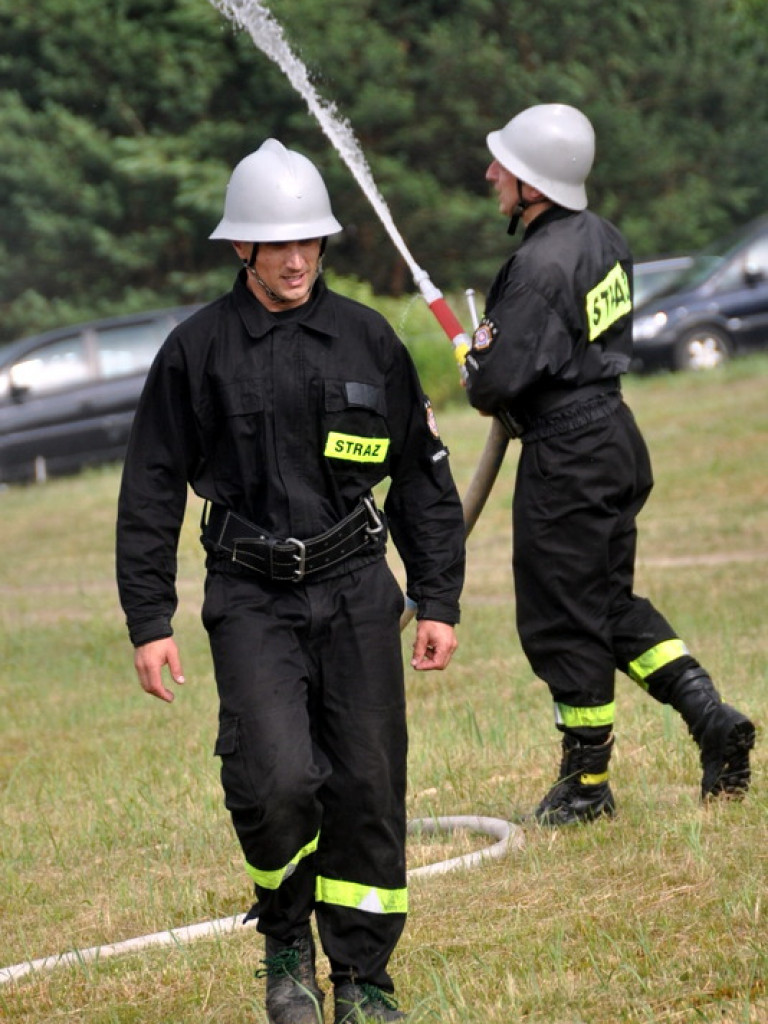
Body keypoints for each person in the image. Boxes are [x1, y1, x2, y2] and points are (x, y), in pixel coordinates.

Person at [116, 139, 465, 1024]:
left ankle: (364, 979)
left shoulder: (367, 339)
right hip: (250, 597)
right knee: (273, 780)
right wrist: (149, 618)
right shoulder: (195, 351)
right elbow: (151, 486)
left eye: (309, 239)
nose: (297, 258)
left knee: (367, 785)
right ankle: (286, 942)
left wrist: (438, 597)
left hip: (356, 586)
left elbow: (420, 475)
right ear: (242, 247)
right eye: (278, 244)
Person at [464, 103, 756, 826]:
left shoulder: (536, 266)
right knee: (604, 604)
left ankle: (587, 784)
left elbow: (494, 385)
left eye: (505, 165)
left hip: (566, 457)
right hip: (612, 437)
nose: (492, 173)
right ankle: (709, 717)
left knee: (563, 619)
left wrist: (475, 362)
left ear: (534, 185)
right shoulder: (604, 238)